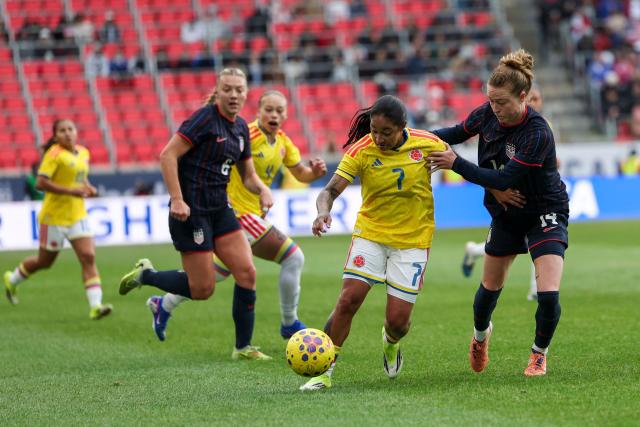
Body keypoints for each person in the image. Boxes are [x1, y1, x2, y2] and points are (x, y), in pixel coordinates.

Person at [428, 49, 569, 377]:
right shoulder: (487, 114)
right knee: (487, 293)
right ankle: (480, 337)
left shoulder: (537, 132)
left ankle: (538, 354)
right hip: (506, 213)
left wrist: (456, 164)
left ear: (523, 97)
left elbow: (505, 178)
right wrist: (413, 136)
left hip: (544, 210)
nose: (495, 109)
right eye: (491, 101)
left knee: (548, 295)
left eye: (501, 102)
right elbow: (454, 133)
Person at [117, 68, 275, 361]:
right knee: (202, 289)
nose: (234, 95)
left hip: (220, 209)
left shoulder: (241, 128)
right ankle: (146, 275)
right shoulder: (204, 120)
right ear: (217, 91)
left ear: (246, 93)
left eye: (239, 89)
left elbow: (249, 175)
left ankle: (243, 348)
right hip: (191, 212)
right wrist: (177, 198)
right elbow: (168, 154)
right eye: (227, 89)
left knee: (247, 272)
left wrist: (263, 190)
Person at [146, 90, 328, 342]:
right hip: (236, 214)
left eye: (279, 110)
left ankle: (162, 304)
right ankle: (289, 323)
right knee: (293, 257)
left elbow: (300, 174)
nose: (273, 114)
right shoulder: (246, 134)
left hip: (250, 215)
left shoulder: (284, 142)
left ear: (286, 114)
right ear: (258, 111)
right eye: (268, 109)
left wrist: (314, 173)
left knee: (215, 275)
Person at [299, 95, 446, 391]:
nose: (378, 137)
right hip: (371, 235)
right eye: (374, 130)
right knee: (348, 300)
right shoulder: (362, 150)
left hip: (413, 240)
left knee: (398, 322)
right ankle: (324, 371)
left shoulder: (428, 143)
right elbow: (329, 190)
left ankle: (391, 342)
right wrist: (323, 212)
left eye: (386, 132)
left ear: (402, 127)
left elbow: (457, 160)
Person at [3, 119, 112, 320]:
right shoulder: (53, 155)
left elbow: (80, 176)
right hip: (52, 218)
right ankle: (13, 279)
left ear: (76, 131)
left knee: (88, 256)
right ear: (55, 136)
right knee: (44, 262)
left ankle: (96, 306)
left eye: (70, 129)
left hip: (77, 215)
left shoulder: (83, 152)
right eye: (62, 131)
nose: (68, 133)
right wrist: (72, 191)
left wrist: (88, 187)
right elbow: (41, 183)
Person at [461, 84, 547, 302]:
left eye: (538, 98)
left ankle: (537, 288)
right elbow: (494, 169)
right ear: (523, 98)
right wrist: (494, 189)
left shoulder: (542, 128)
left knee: (536, 240)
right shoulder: (505, 126)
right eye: (532, 98)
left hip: (535, 197)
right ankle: (475, 251)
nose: (535, 102)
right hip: (512, 199)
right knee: (517, 244)